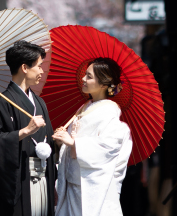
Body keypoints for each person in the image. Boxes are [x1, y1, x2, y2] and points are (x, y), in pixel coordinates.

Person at [52, 58, 133, 216]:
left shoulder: (109, 112)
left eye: (89, 76)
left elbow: (107, 148)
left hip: (91, 190)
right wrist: (62, 141)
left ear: (103, 84)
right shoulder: (85, 107)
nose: (83, 79)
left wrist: (74, 143)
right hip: (72, 185)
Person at [0, 41, 57, 216]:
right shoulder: (2, 103)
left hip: (44, 176)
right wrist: (24, 131)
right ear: (24, 67)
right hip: (20, 178)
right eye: (39, 66)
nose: (42, 71)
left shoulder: (39, 102)